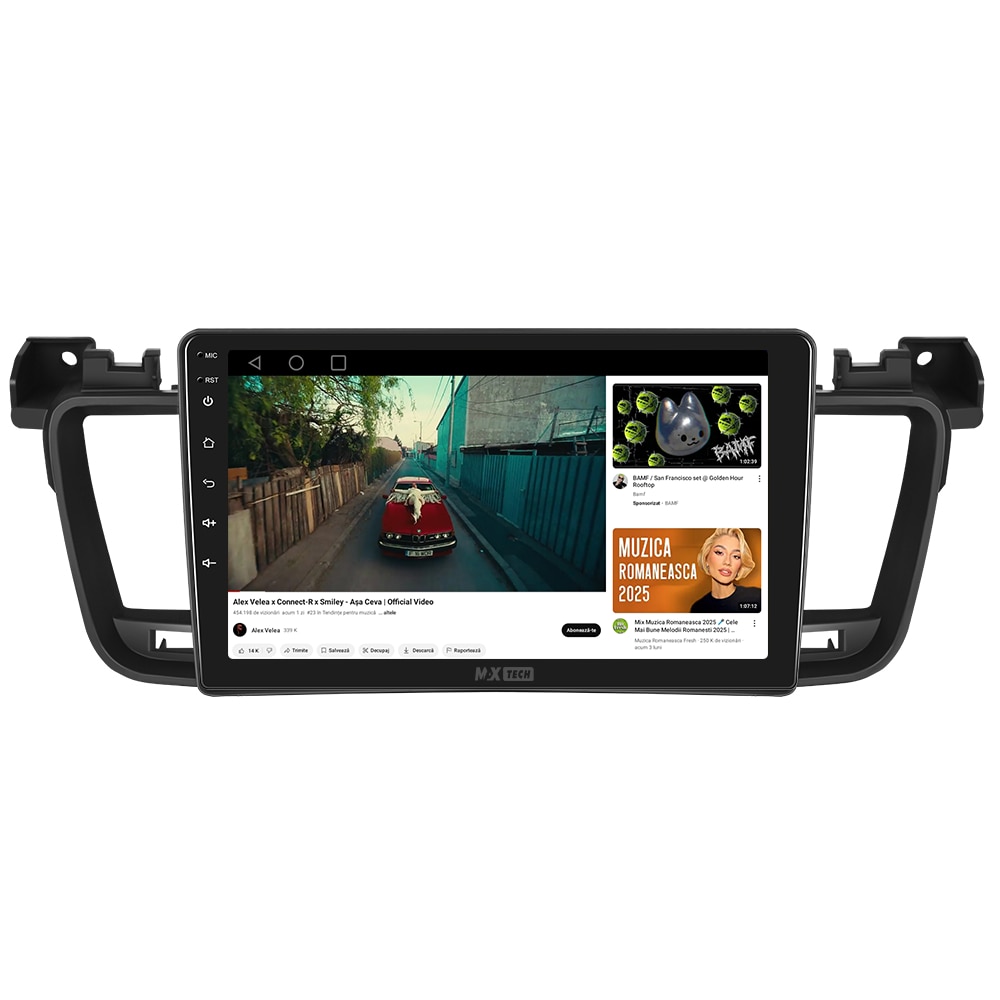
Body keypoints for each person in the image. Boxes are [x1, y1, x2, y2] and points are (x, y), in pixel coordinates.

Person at [689, 528, 761, 613]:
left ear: (740, 565)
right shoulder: (698, 608)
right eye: (719, 552)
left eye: (736, 556)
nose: (727, 562)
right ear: (706, 559)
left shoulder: (758, 598)